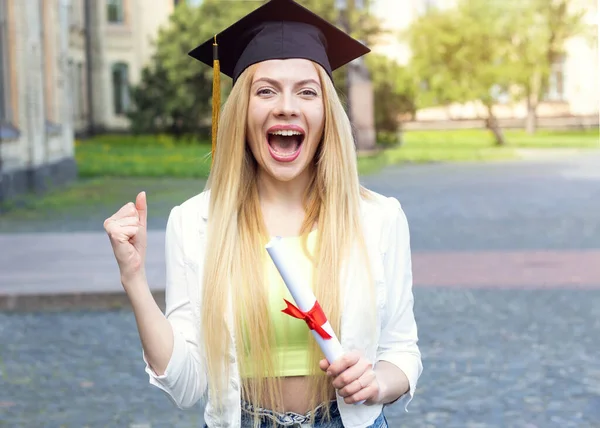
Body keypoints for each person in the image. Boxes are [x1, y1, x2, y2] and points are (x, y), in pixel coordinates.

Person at [103, 0, 422, 426]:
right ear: (241, 112)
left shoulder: (378, 218)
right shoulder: (197, 223)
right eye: (266, 90)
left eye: (306, 91)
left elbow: (402, 351)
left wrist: (377, 383)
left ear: (327, 114)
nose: (286, 106)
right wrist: (134, 280)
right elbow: (185, 386)